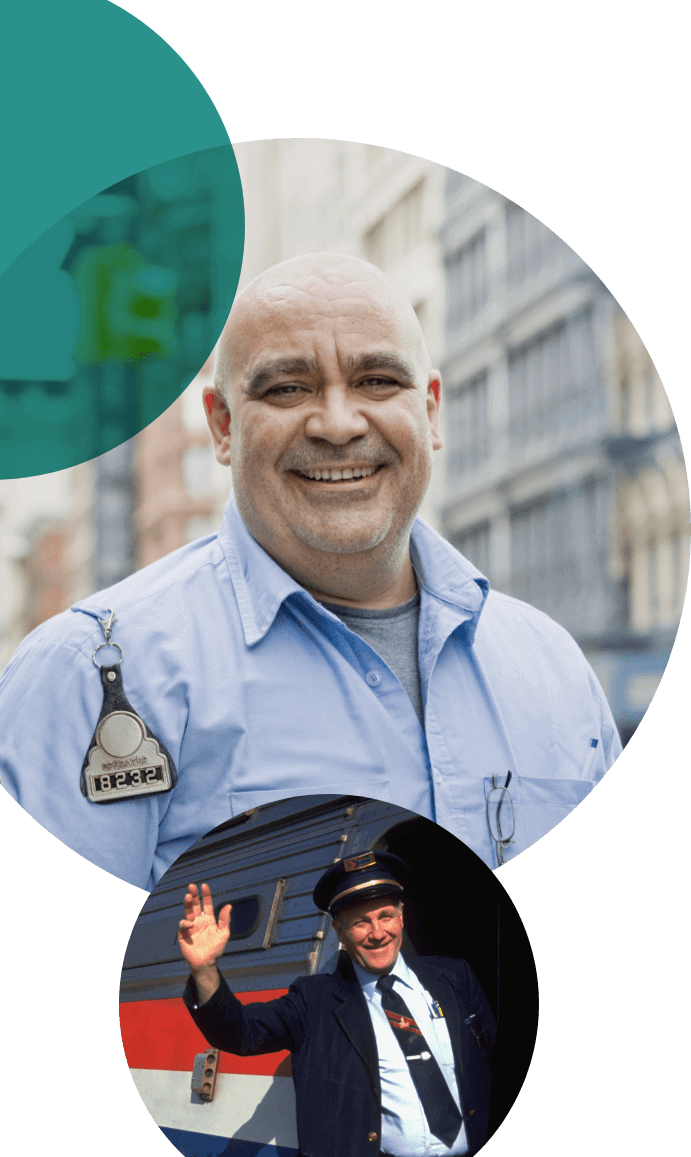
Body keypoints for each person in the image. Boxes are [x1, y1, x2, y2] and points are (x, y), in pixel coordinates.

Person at [0, 253, 622, 888]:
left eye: (377, 381)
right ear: (222, 426)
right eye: (286, 389)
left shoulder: (557, 671)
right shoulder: (93, 674)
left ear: (430, 411)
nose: (338, 424)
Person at [179, 852, 496, 1157]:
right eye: (361, 922)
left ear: (402, 916)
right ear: (339, 931)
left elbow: (493, 1060)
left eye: (386, 916)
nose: (378, 933)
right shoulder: (314, 1001)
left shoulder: (454, 978)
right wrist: (205, 970)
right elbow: (239, 1032)